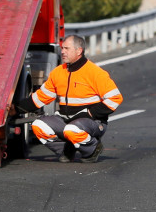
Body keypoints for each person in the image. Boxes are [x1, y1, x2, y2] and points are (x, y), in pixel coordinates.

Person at [17, 35, 123, 163]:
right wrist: (15, 108)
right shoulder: (58, 73)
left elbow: (115, 98)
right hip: (66, 120)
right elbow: (41, 97)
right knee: (38, 126)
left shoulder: (95, 72)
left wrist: (90, 113)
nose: (62, 51)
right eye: (62, 48)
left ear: (79, 51)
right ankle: (67, 150)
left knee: (72, 130)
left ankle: (92, 148)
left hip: (92, 122)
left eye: (67, 48)